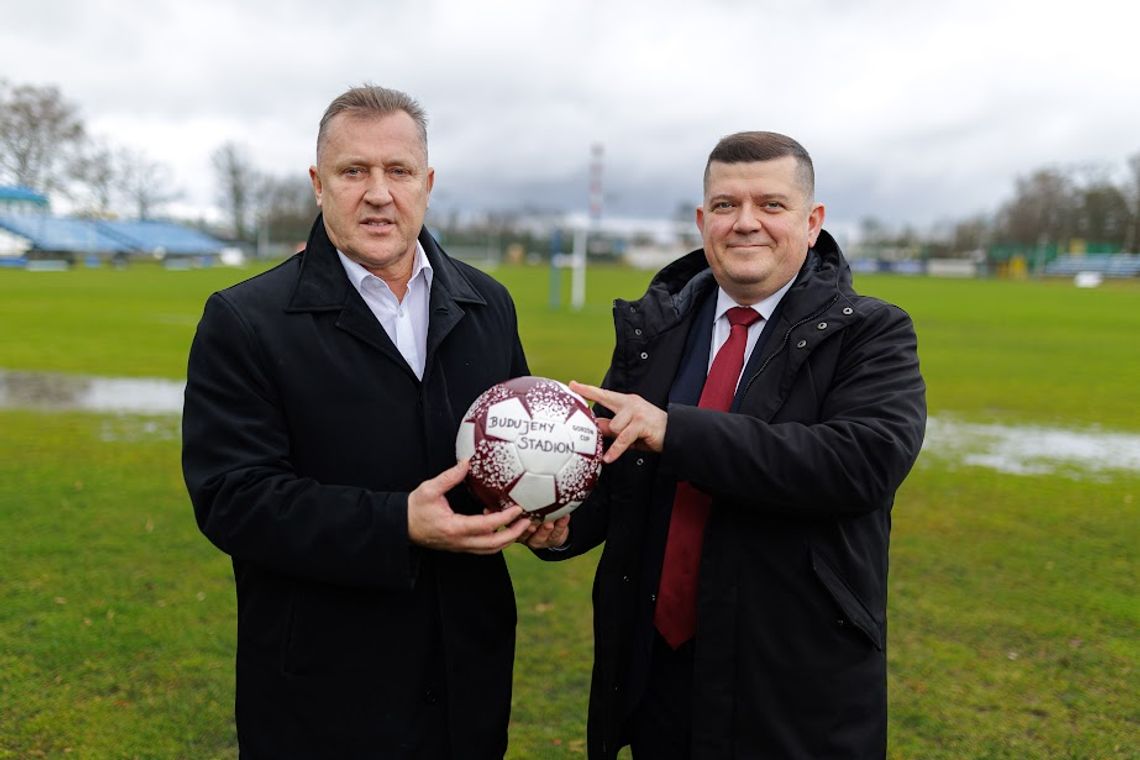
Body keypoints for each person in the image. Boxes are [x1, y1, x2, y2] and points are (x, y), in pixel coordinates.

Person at [182, 85, 551, 758]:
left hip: (467, 681)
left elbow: (512, 444)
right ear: (319, 184)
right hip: (324, 690)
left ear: (428, 183)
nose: (379, 193)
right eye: (355, 171)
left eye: (398, 171)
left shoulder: (487, 303)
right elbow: (231, 499)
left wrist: (545, 510)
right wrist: (396, 523)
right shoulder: (245, 320)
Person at [542, 131, 927, 758]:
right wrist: (564, 525)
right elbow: (617, 473)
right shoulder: (657, 329)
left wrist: (677, 430)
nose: (745, 223)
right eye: (725, 206)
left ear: (812, 222)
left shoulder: (872, 332)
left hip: (788, 687)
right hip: (657, 676)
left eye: (770, 205)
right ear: (702, 221)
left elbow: (860, 464)